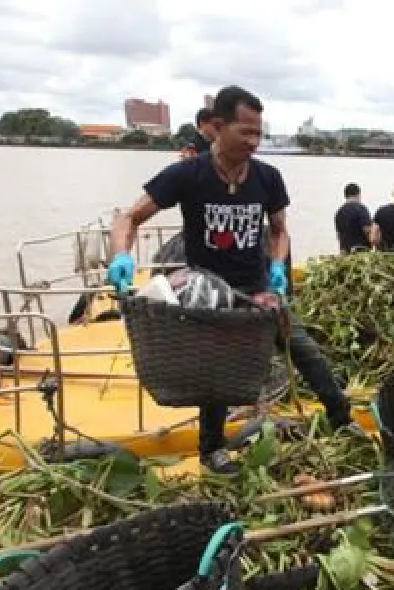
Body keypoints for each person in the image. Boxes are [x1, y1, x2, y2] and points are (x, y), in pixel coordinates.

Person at [106, 85, 355, 474]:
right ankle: (212, 450)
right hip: (209, 293)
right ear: (218, 127)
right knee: (216, 371)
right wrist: (121, 254)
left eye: (259, 133)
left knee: (303, 349)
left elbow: (278, 229)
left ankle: (343, 418)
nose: (255, 142)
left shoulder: (268, 177)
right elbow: (129, 217)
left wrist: (277, 263)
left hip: (257, 287)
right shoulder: (188, 174)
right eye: (246, 132)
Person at [334, 182, 372, 252]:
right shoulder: (361, 209)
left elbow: (339, 234)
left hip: (345, 251)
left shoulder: (339, 212)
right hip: (361, 251)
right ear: (358, 194)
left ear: (345, 196)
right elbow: (367, 230)